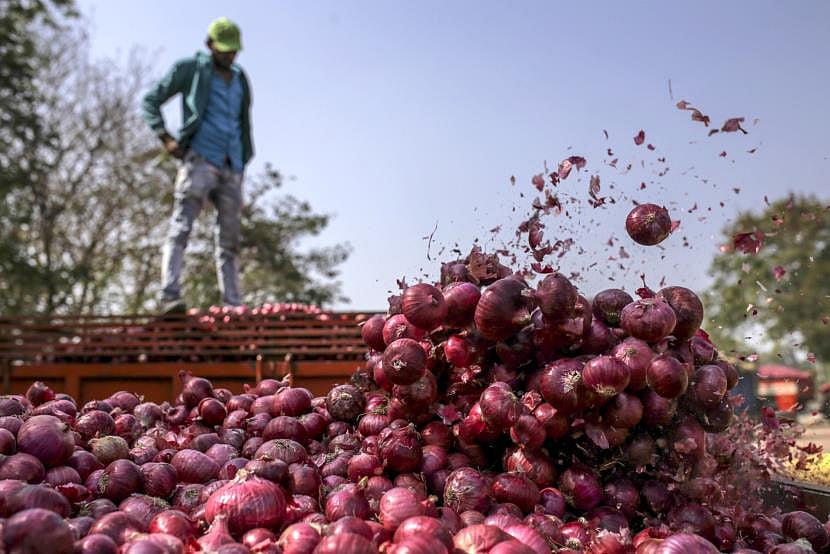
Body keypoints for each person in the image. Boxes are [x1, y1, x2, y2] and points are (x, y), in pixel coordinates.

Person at [141, 17, 253, 313]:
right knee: (181, 227)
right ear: (210, 45)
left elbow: (242, 123)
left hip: (232, 165)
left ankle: (232, 306)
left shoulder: (240, 78)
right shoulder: (190, 68)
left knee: (230, 241)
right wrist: (165, 137)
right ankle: (170, 295)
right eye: (225, 49)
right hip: (200, 159)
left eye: (234, 51)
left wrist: (244, 159)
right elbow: (150, 100)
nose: (230, 55)